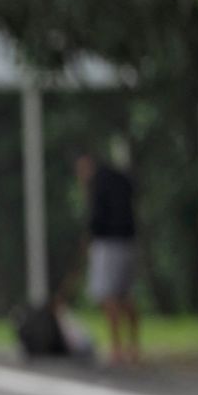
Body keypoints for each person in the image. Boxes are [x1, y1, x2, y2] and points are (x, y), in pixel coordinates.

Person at [77, 151, 140, 365]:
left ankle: (116, 347)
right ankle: (134, 346)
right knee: (125, 294)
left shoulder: (97, 184)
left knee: (108, 295)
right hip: (128, 241)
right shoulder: (119, 180)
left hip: (106, 244)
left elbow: (95, 217)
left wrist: (90, 239)